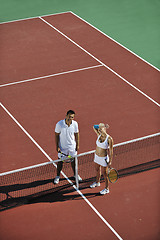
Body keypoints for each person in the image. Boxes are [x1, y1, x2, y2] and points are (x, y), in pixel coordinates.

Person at [54, 110, 81, 184]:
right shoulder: (59, 124)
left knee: (74, 161)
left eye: (72, 117)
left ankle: (75, 175)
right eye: (69, 116)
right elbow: (56, 135)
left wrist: (77, 145)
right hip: (63, 148)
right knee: (60, 162)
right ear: (66, 116)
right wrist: (57, 146)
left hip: (72, 147)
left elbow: (77, 134)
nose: (70, 118)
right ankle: (57, 176)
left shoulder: (75, 124)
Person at [90, 123, 113, 195]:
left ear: (105, 129)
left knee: (105, 174)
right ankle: (97, 182)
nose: (99, 130)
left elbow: (111, 151)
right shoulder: (98, 135)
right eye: (99, 129)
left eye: (101, 129)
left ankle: (106, 189)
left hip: (103, 158)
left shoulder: (109, 139)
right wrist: (101, 127)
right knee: (97, 170)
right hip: (96, 157)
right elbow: (93, 126)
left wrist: (110, 162)